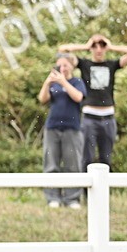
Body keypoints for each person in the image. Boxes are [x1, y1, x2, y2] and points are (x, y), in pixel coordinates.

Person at [58, 33, 127, 170]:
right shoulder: (84, 64)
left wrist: (111, 47)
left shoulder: (112, 64)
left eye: (101, 46)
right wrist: (86, 45)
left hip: (108, 117)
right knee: (87, 158)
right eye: (95, 46)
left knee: (106, 158)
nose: (98, 49)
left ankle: (104, 190)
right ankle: (85, 191)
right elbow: (62, 50)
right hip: (89, 118)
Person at [38, 53, 86, 208]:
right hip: (52, 127)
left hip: (72, 128)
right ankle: (53, 197)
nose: (62, 68)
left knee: (73, 165)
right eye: (59, 65)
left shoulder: (77, 82)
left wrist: (63, 82)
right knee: (51, 163)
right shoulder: (54, 84)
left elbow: (78, 97)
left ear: (72, 66)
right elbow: (42, 99)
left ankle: (72, 198)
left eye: (65, 65)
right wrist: (47, 83)